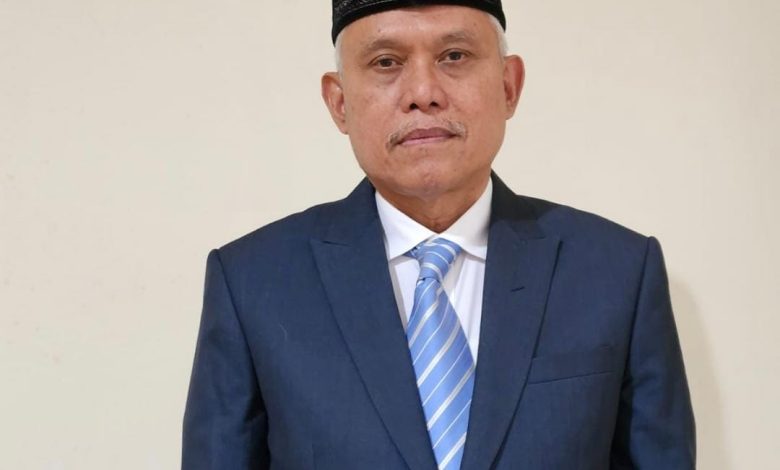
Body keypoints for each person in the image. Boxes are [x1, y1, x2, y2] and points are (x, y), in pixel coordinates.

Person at [182, 1, 696, 468]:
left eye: (454, 56)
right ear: (339, 102)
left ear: (509, 85)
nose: (423, 94)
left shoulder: (618, 273)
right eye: (386, 62)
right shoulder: (253, 284)